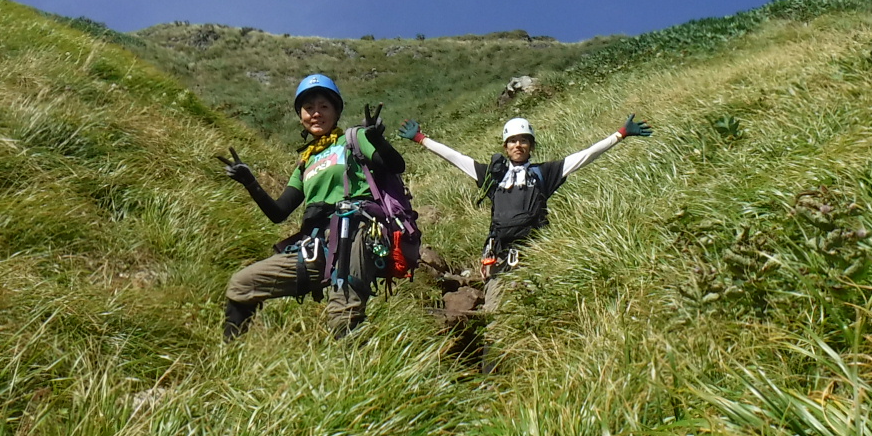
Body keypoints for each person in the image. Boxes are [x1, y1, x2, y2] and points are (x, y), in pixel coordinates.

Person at [396, 113, 651, 311]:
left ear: (531, 145)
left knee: (532, 303)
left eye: (523, 140)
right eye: (513, 141)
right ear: (506, 146)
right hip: (499, 255)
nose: (518, 145)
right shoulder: (491, 175)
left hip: (534, 253)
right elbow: (454, 156)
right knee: (496, 307)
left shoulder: (545, 173)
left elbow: (586, 155)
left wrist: (620, 134)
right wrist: (421, 139)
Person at [216, 74, 405, 340]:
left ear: (336, 111)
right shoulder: (305, 162)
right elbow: (279, 212)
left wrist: (377, 140)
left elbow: (396, 165)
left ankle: (362, 376)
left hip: (355, 232)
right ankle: (230, 358)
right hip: (316, 245)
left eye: (324, 106)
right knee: (242, 285)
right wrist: (250, 182)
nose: (316, 113)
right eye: (309, 108)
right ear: (301, 115)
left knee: (342, 315)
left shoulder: (353, 139)